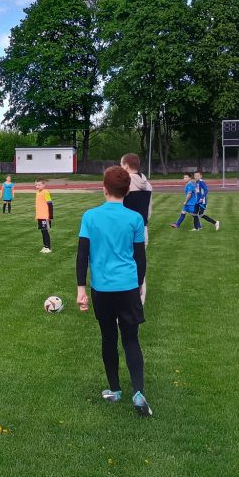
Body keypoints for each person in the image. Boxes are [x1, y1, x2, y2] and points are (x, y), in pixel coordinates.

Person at [76, 166, 151, 417]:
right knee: (131, 338)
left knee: (108, 337)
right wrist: (138, 285)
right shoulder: (135, 218)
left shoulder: (90, 216)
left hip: (102, 289)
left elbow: (82, 255)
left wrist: (81, 288)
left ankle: (115, 390)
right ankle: (138, 392)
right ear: (127, 190)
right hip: (128, 287)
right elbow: (140, 258)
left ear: (104, 189)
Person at [121, 153, 153, 246]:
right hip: (142, 229)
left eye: (121, 165)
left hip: (125, 229)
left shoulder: (123, 183)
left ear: (126, 165)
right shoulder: (148, 185)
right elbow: (149, 209)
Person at [34, 178, 54, 253]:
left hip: (45, 216)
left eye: (39, 185)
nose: (37, 186)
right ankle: (45, 246)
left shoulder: (45, 192)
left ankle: (48, 247)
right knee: (43, 231)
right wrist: (37, 215)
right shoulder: (37, 192)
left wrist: (50, 216)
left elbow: (50, 204)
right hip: (40, 216)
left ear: (43, 185)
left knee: (45, 231)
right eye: (36, 185)